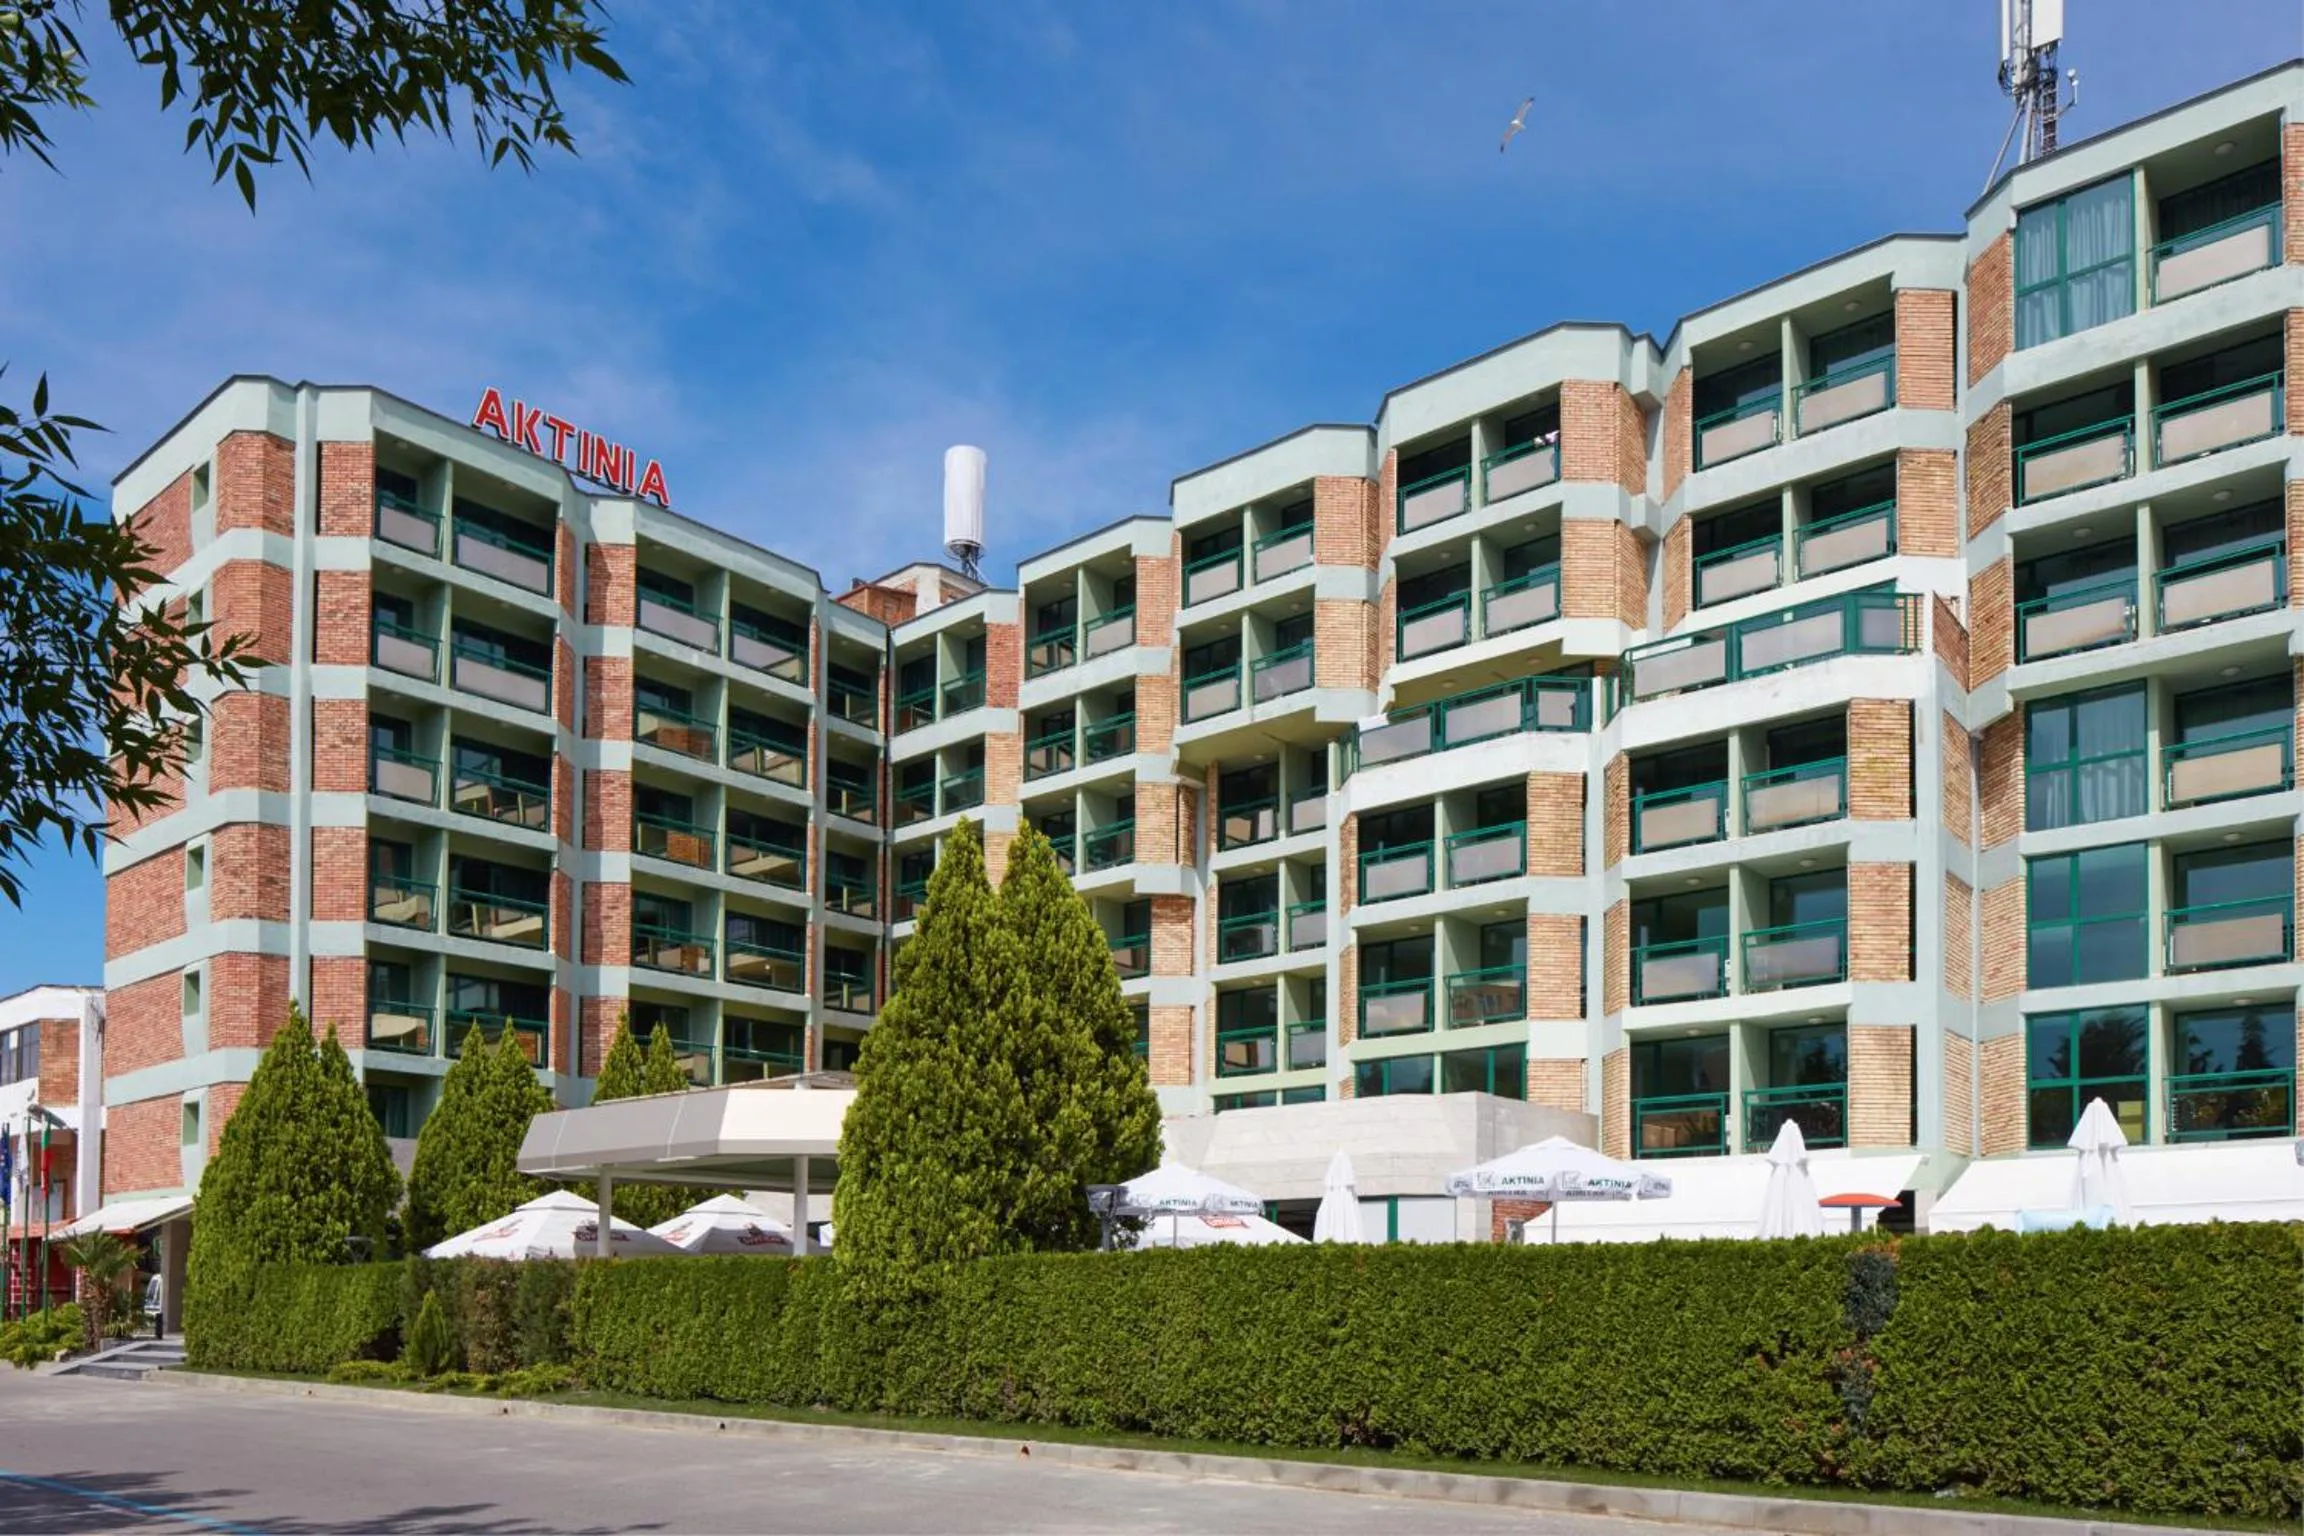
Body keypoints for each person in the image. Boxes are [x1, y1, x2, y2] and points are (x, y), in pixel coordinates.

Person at [142, 1272, 163, 1340]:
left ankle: (158, 1334)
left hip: (158, 1307)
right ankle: (158, 1334)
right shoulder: (156, 1279)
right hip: (157, 1307)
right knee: (158, 1319)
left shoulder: (157, 1279)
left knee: (158, 1319)